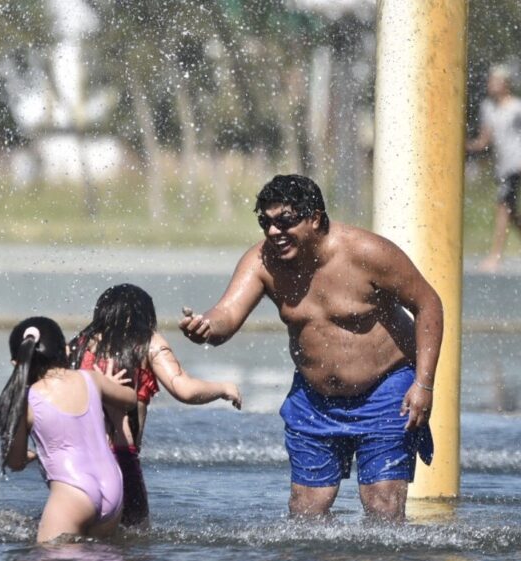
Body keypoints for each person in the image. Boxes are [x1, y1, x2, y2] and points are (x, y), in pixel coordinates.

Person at [180, 174, 443, 523]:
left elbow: (429, 304)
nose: (274, 232)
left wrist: (423, 384)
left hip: (386, 390)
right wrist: (207, 327)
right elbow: (227, 313)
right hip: (314, 400)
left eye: (285, 221)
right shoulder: (263, 262)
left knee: (383, 510)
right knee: (305, 512)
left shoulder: (367, 252)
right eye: (266, 223)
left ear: (315, 218)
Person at [69, 284, 242, 527]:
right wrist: (223, 388)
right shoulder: (148, 343)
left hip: (73, 461)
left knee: (76, 535)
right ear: (144, 315)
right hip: (119, 458)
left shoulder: (77, 345)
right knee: (134, 542)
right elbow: (185, 389)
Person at [0, 316, 137, 543]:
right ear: (65, 350)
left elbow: (15, 462)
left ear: (17, 363)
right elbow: (130, 399)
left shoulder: (25, 401)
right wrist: (108, 383)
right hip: (113, 487)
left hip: (72, 493)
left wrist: (30, 456)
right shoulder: (91, 379)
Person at [466, 65, 521, 272]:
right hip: (502, 167)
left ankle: (495, 256)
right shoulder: (488, 107)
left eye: (495, 81)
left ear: (506, 84)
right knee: (510, 210)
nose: (490, 84)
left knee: (502, 206)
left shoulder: (517, 107)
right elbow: (484, 141)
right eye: (490, 81)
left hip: (516, 165)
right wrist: (462, 145)